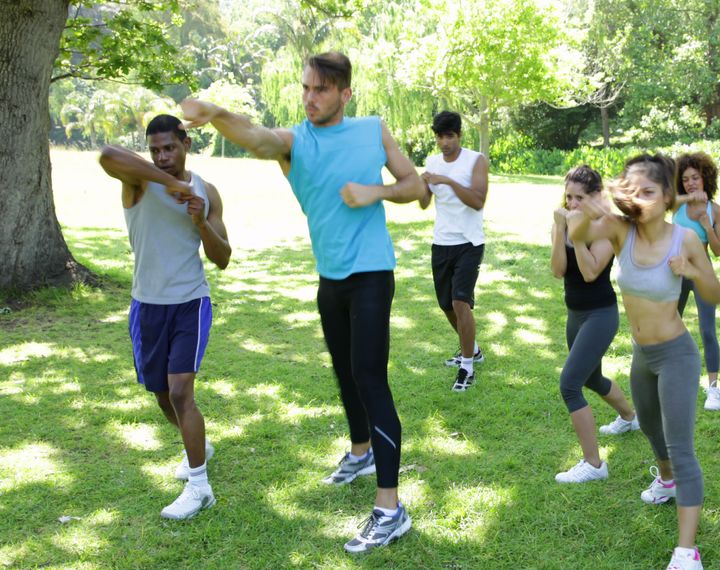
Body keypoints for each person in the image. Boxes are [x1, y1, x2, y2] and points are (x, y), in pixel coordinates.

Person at [180, 51, 425, 552]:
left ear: (344, 94)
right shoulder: (296, 142)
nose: (309, 98)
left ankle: (389, 508)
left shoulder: (372, 129)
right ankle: (361, 451)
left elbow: (415, 185)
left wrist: (374, 192)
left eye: (320, 90)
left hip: (372, 272)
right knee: (345, 370)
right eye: (306, 88)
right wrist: (217, 113)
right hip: (330, 278)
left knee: (371, 378)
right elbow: (257, 136)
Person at [571, 154, 720, 570]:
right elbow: (579, 232)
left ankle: (686, 551)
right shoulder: (622, 231)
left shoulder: (684, 239)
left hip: (677, 355)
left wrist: (690, 268)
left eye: (648, 191)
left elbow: (715, 292)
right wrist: (587, 213)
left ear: (667, 196)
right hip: (642, 355)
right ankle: (666, 480)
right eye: (632, 190)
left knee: (681, 446)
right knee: (652, 431)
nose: (638, 198)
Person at [98, 114, 231, 520]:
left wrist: (199, 219)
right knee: (159, 392)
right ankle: (197, 443)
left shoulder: (207, 191)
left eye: (169, 148)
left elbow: (222, 257)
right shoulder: (138, 181)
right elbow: (107, 154)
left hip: (190, 301)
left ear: (186, 143)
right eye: (154, 149)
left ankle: (199, 485)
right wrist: (172, 184)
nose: (162, 156)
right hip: (146, 305)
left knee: (179, 392)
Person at [550, 165, 639, 484]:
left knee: (570, 384)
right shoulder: (563, 222)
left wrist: (577, 234)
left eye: (579, 199)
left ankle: (594, 464)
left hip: (601, 314)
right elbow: (559, 270)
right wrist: (560, 232)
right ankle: (630, 417)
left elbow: (590, 273)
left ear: (595, 199)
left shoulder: (604, 227)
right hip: (575, 313)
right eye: (569, 197)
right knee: (591, 378)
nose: (572, 204)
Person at [418, 111, 489, 391]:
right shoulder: (433, 162)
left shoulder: (475, 161)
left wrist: (447, 181)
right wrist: (423, 184)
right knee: (446, 306)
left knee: (461, 302)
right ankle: (474, 349)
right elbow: (424, 202)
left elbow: (478, 201)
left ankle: (467, 367)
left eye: (449, 136)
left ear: (459, 135)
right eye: (439, 136)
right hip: (442, 242)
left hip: (470, 242)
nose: (444, 142)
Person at [672, 152, 720, 411]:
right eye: (685, 179)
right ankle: (670, 378)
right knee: (670, 323)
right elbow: (659, 202)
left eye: (695, 178)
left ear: (706, 178)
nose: (691, 183)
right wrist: (688, 198)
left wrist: (707, 223)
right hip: (676, 272)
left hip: (702, 271)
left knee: (707, 330)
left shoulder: (717, 210)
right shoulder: (677, 205)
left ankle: (713, 388)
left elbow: (717, 250)